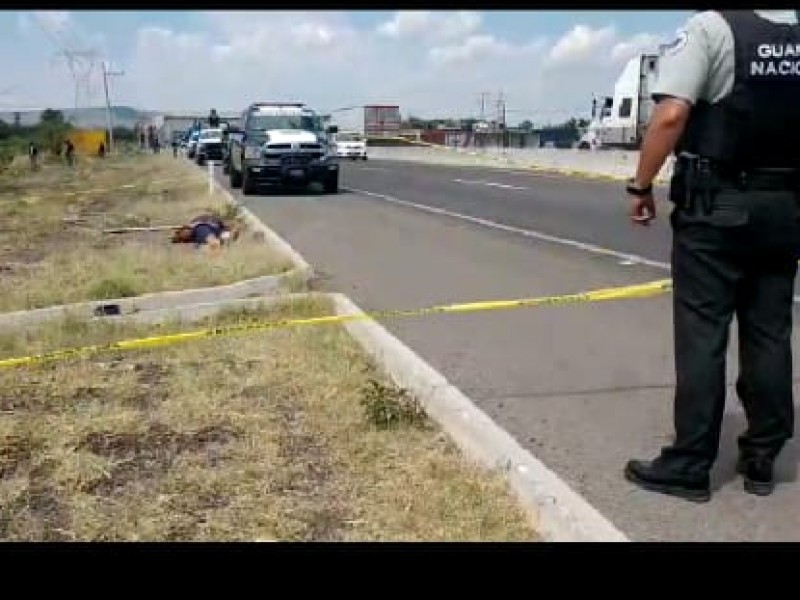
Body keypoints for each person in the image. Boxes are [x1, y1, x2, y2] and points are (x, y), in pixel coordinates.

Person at [624, 10, 800, 502]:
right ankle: (762, 454)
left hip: (716, 206)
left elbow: (672, 114)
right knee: (769, 331)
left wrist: (640, 185)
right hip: (784, 206)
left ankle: (689, 463)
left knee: (703, 333)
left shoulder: (711, 28)